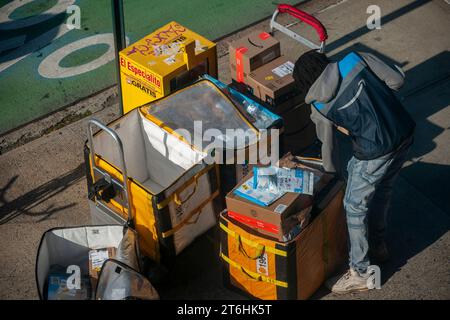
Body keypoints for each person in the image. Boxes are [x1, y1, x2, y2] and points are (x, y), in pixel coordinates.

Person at [292, 50, 415, 294]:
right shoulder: (354, 59)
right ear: (323, 61)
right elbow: (397, 81)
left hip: (374, 151)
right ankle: (378, 246)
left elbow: (329, 148)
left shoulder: (319, 106)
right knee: (383, 190)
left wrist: (330, 178)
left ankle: (360, 272)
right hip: (404, 131)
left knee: (354, 205)